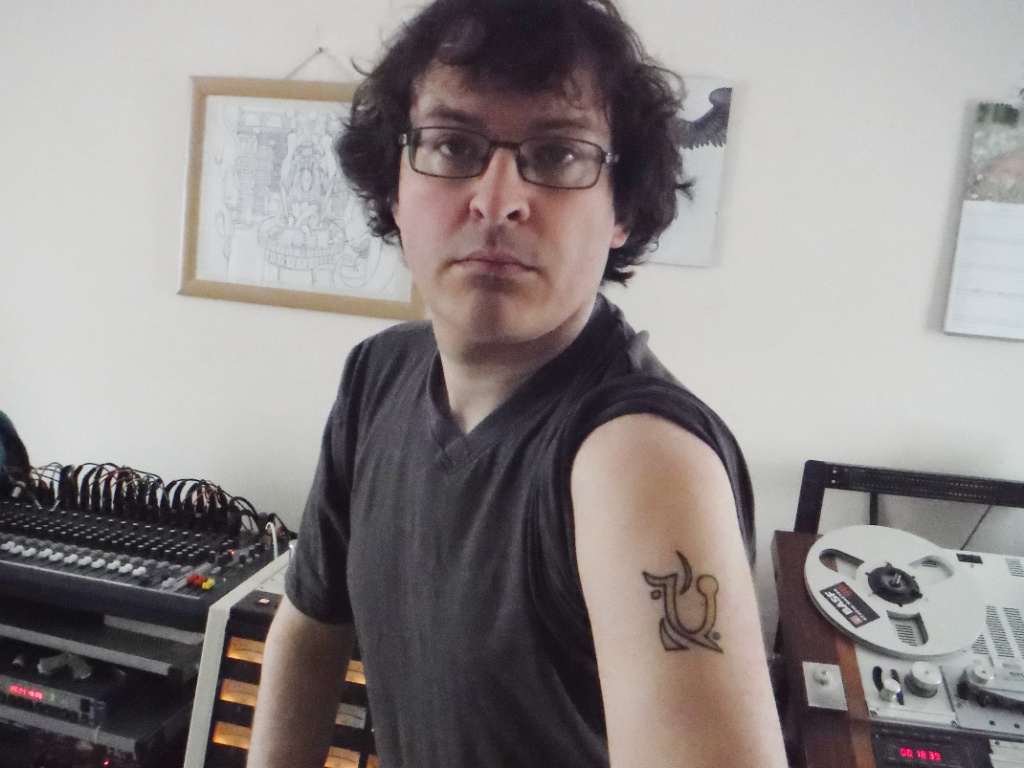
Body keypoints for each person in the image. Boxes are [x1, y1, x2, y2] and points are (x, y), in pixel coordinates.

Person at [248, 0, 787, 766]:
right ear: (395, 187)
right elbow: (307, 630)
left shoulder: (641, 459)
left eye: (559, 155)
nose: (497, 199)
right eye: (451, 144)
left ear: (622, 211)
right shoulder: (376, 377)